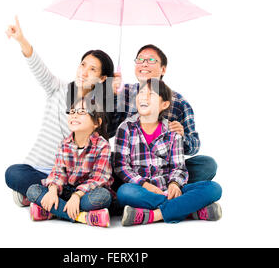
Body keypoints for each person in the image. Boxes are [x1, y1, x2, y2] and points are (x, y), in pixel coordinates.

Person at [4, 17, 115, 206]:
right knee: (13, 173)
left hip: (74, 179)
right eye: (83, 65)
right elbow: (39, 68)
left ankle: (39, 199)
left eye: (92, 69)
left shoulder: (99, 108)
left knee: (110, 181)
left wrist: (113, 91)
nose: (84, 72)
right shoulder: (58, 89)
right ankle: (57, 200)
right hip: (38, 170)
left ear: (102, 78)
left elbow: (107, 139)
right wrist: (21, 40)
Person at [114, 79, 222, 226]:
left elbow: (179, 167)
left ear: (164, 104)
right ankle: (190, 210)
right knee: (124, 192)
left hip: (169, 188)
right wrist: (145, 185)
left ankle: (154, 215)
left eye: (151, 94)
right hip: (142, 190)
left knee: (214, 188)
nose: (144, 97)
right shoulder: (126, 128)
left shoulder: (172, 131)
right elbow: (122, 166)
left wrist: (175, 184)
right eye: (141, 93)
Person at [111, 44, 217, 190]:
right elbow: (104, 130)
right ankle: (167, 197)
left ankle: (168, 191)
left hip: (165, 170)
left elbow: (194, 146)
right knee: (108, 161)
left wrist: (182, 135)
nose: (144, 63)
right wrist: (109, 94)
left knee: (207, 164)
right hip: (132, 169)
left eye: (151, 60)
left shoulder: (178, 102)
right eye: (140, 59)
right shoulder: (124, 92)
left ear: (163, 69)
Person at [26, 98, 114, 227]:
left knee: (103, 197)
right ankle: (83, 217)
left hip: (86, 193)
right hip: (66, 191)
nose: (74, 115)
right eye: (72, 111)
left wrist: (77, 196)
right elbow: (58, 172)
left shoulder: (102, 145)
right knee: (32, 191)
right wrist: (52, 191)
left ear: (96, 122)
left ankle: (52, 211)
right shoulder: (64, 144)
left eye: (82, 112)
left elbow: (98, 178)